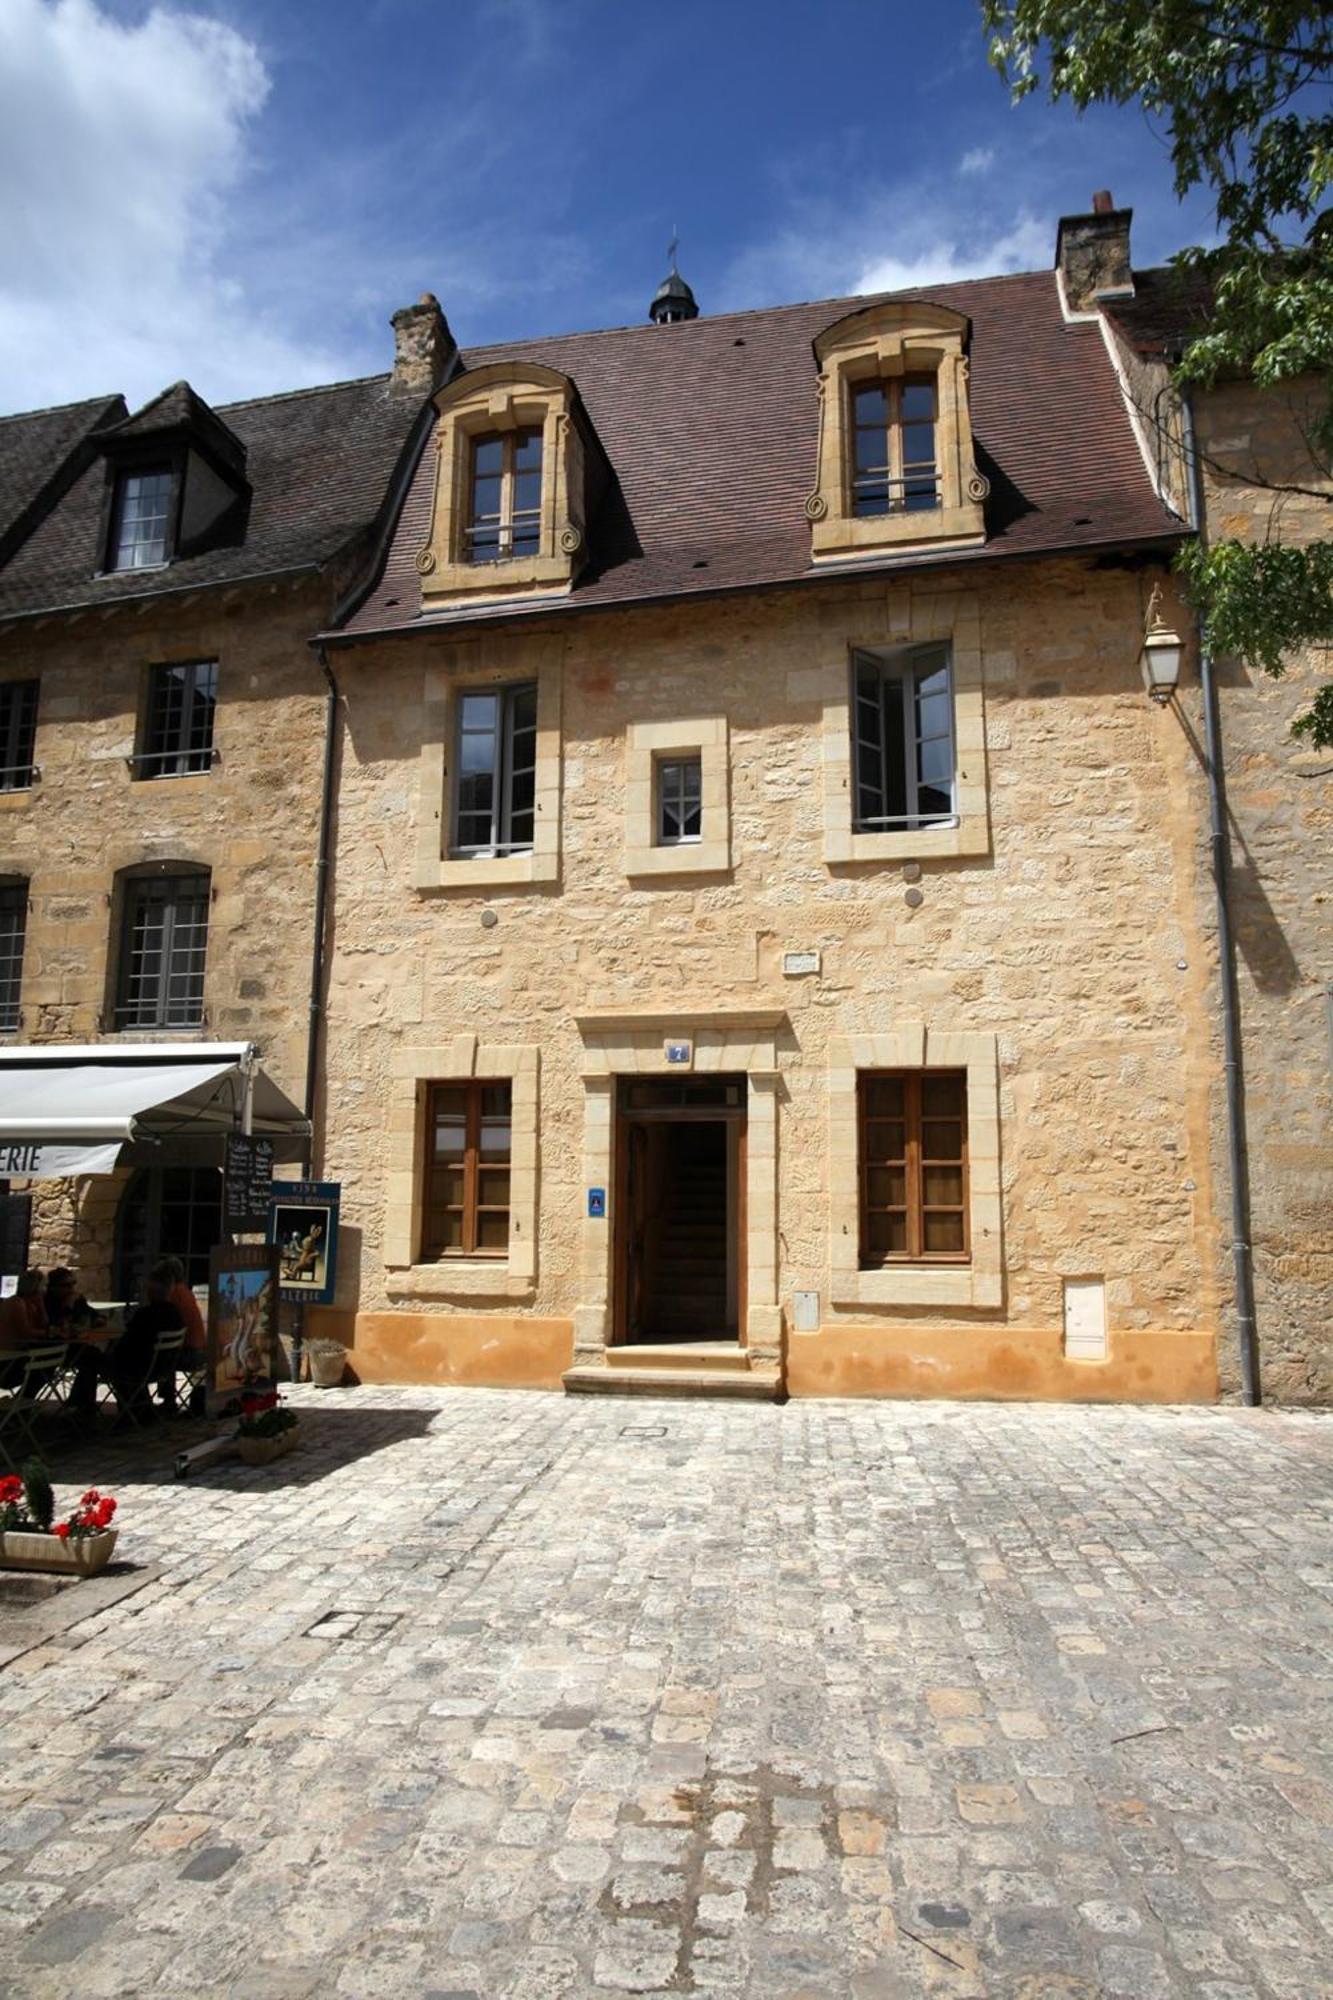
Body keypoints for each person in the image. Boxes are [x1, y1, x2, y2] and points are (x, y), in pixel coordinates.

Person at [106, 1267, 184, 1429]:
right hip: (164, 1368)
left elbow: (128, 1343)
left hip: (142, 1368)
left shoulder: (145, 1314)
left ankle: (129, 1413)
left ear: (151, 1291)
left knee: (103, 1362)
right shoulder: (175, 1313)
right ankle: (141, 1409)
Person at [0, 1271, 49, 1388]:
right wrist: (49, 1332)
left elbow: (44, 1324)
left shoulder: (29, 1304)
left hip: (16, 1355)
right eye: (43, 1286)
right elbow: (26, 1332)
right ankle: (24, 1400)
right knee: (47, 1364)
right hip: (7, 1360)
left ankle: (23, 1400)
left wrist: (41, 1306)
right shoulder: (16, 1303)